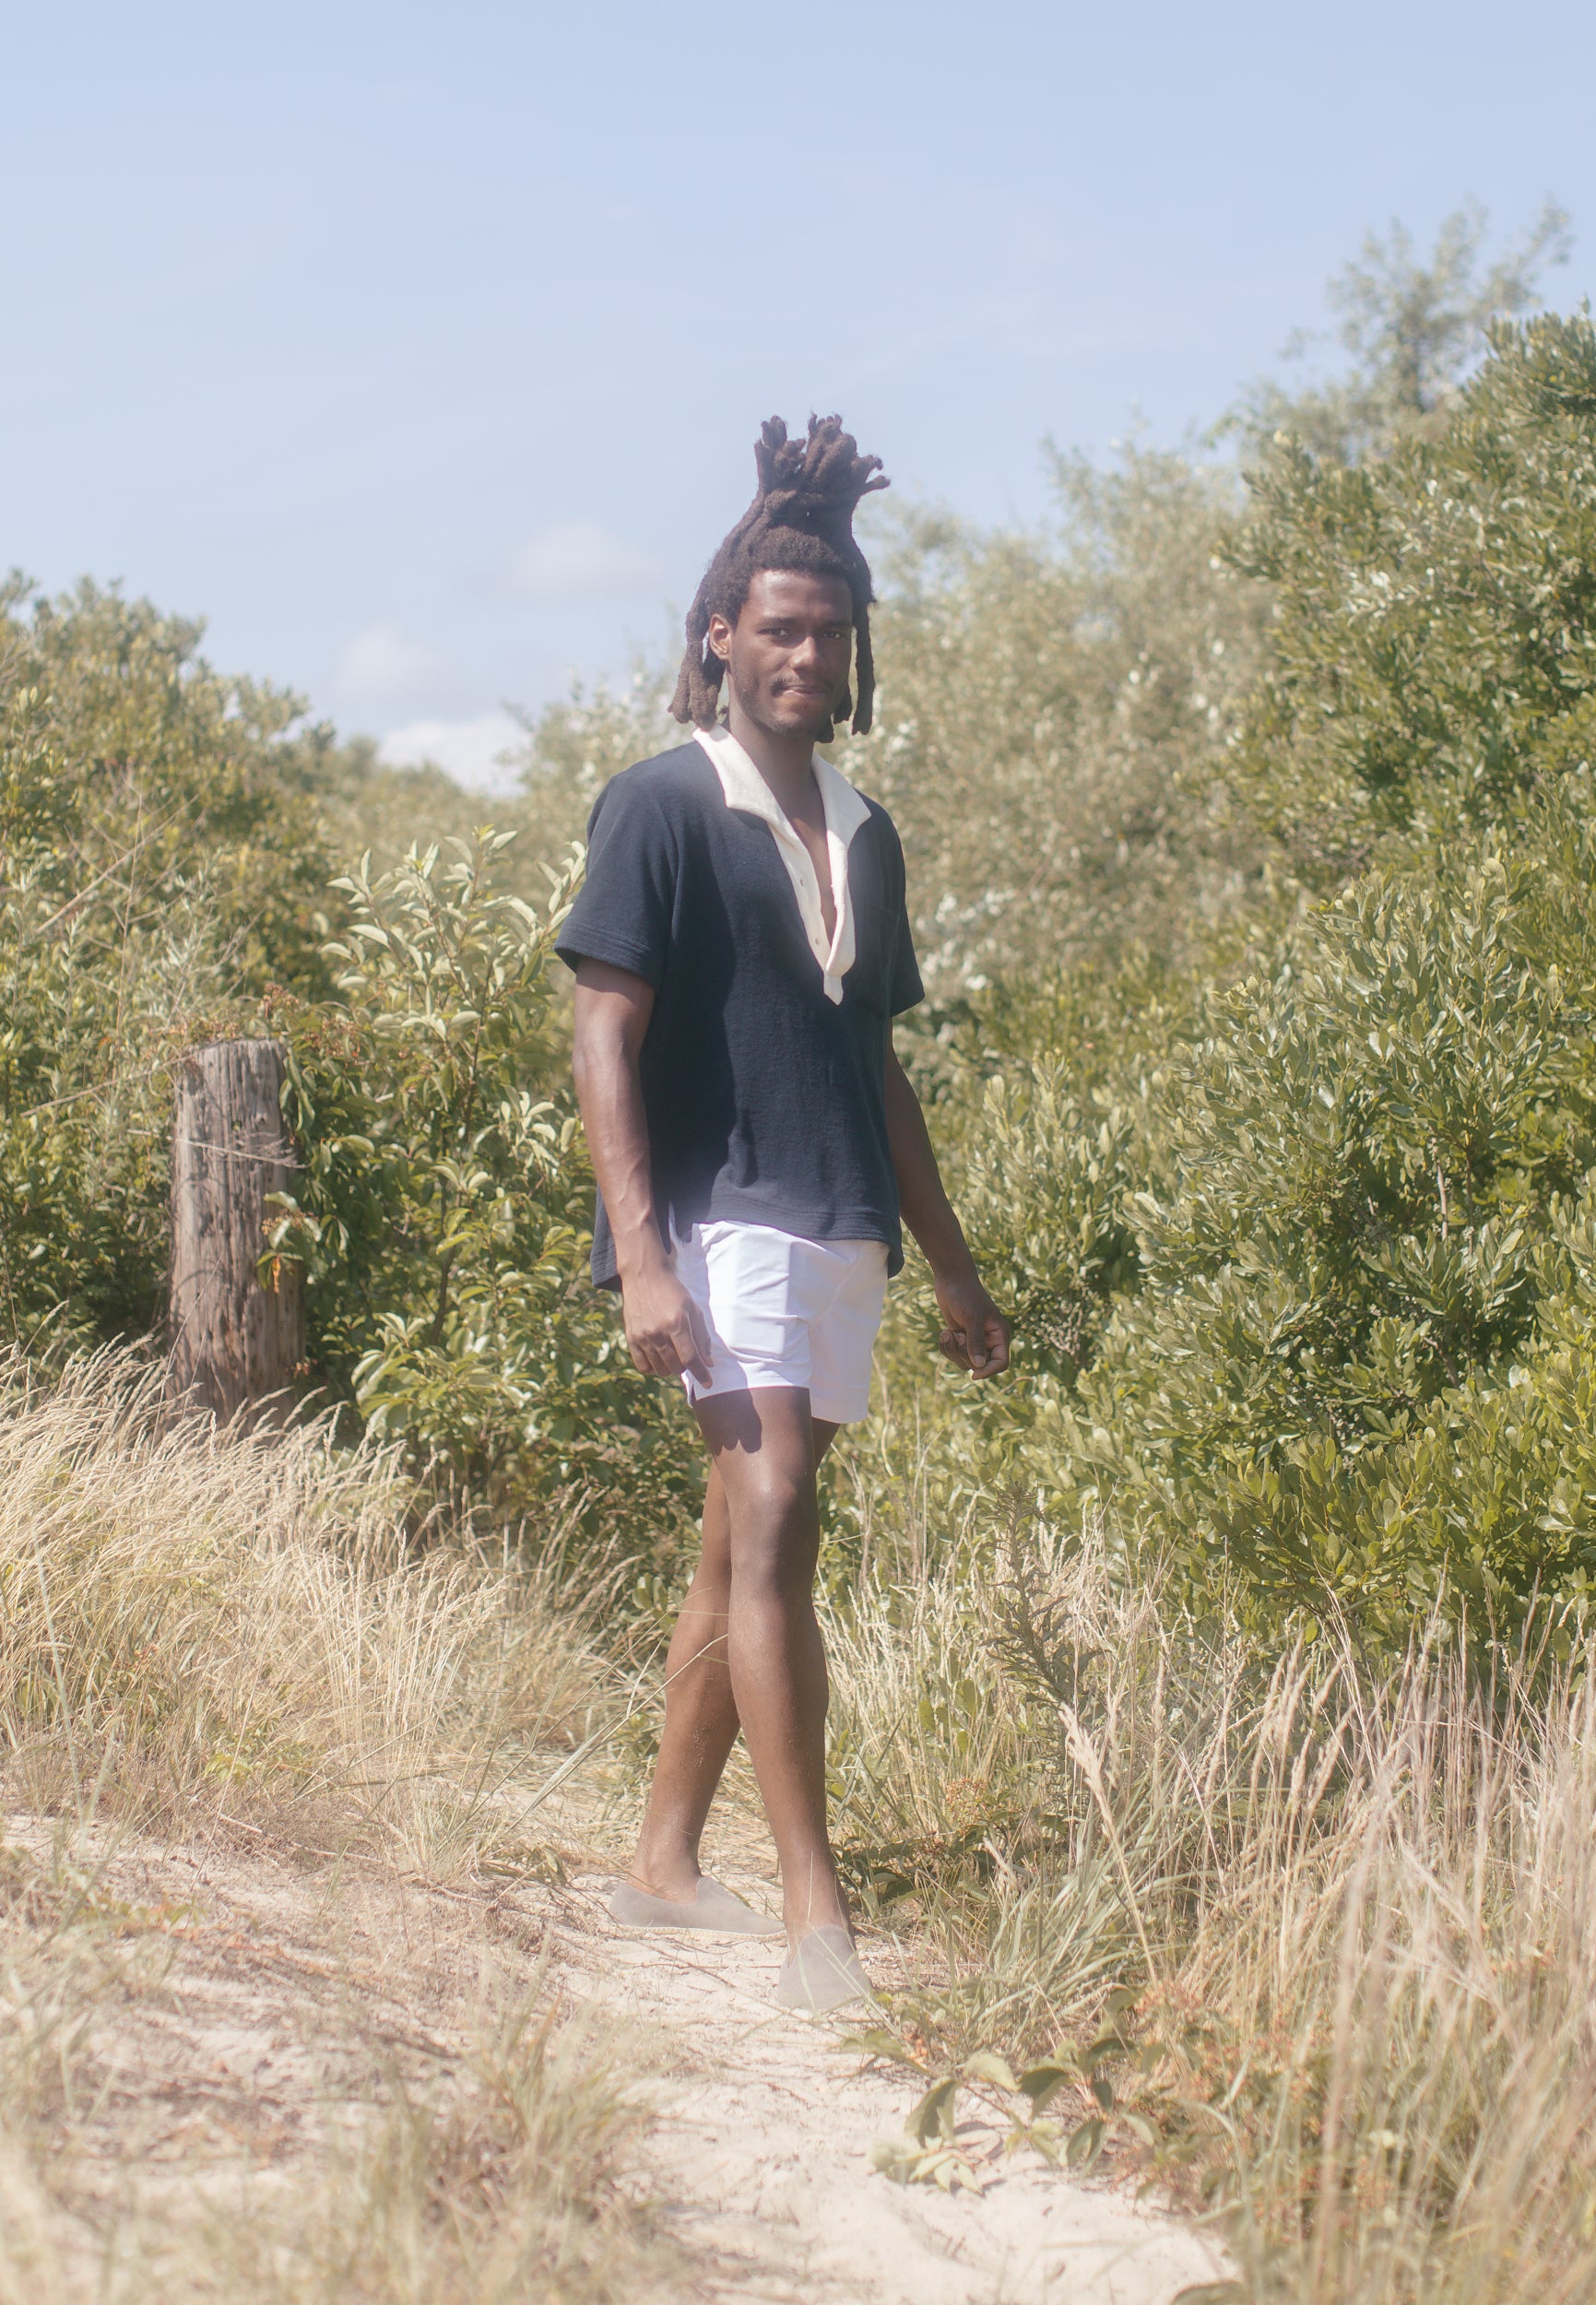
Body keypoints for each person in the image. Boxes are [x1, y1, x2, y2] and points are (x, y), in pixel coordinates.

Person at [556, 415, 1010, 2012]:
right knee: (780, 1521)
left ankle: (663, 1865)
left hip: (839, 1221)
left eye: (832, 633)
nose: (808, 654)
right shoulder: (662, 805)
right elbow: (602, 1030)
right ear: (720, 638)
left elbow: (872, 1065)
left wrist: (952, 1270)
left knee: (731, 1547)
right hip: (717, 1220)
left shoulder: (871, 838)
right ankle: (822, 1917)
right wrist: (642, 1260)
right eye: (781, 629)